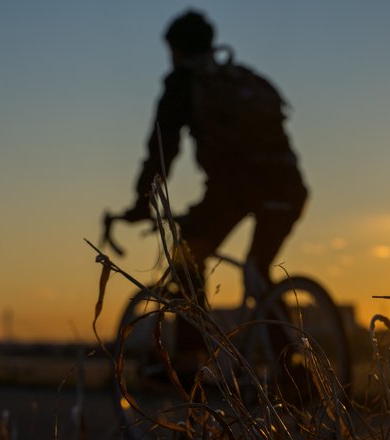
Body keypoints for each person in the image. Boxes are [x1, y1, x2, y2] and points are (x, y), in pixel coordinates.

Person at [121, 11, 308, 359]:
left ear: (176, 50)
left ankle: (193, 366)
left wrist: (141, 202)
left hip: (235, 191)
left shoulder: (184, 83)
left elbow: (162, 148)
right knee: (258, 269)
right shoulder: (240, 78)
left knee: (187, 256)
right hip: (288, 186)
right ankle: (292, 371)